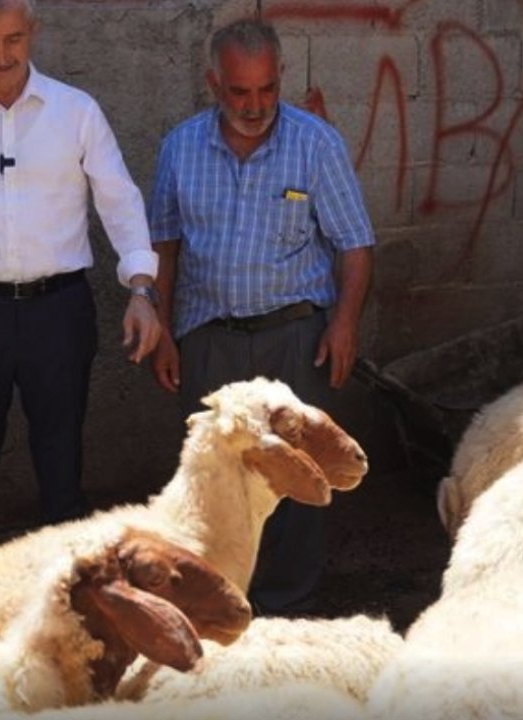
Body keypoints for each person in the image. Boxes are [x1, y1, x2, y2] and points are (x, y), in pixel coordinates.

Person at [0, 0, 162, 551]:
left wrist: (141, 289)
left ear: (33, 33)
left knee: (63, 468)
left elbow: (121, 204)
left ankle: (69, 606)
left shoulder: (76, 111)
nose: (1, 54)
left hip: (58, 312)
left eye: (13, 39)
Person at [147, 19, 376, 615]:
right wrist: (163, 330)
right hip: (208, 342)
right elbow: (164, 246)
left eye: (267, 90)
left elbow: (355, 244)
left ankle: (288, 605)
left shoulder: (315, 144)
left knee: (297, 478)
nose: (254, 106)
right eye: (239, 92)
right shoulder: (180, 148)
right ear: (213, 84)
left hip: (295, 339)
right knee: (217, 479)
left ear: (280, 80)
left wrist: (344, 322)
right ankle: (220, 600)